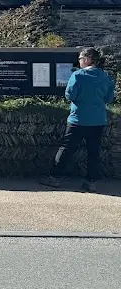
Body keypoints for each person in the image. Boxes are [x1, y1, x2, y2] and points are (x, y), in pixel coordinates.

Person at [42, 47, 116, 192]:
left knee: (66, 148)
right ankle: (91, 182)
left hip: (78, 119)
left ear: (88, 59)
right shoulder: (105, 77)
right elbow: (109, 98)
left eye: (80, 59)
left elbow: (70, 95)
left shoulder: (78, 75)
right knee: (93, 152)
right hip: (98, 120)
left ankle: (54, 178)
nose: (79, 62)